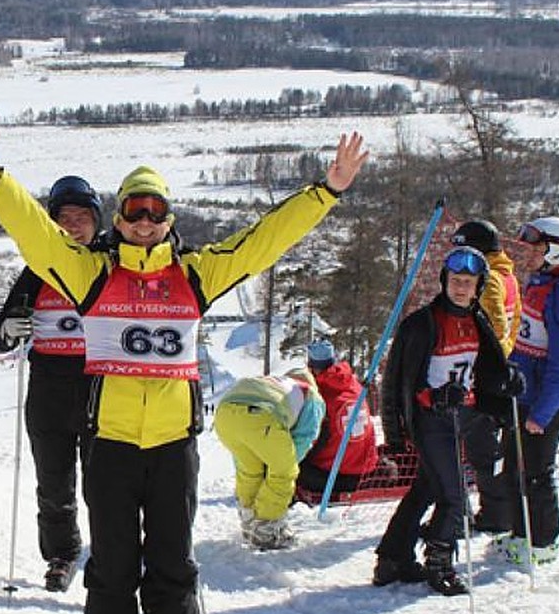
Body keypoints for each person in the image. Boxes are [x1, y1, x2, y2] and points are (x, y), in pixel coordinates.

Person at [0, 102, 367, 614]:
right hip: (113, 439)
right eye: (134, 211)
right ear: (118, 219)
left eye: (156, 211)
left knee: (174, 553)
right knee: (114, 555)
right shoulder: (89, 274)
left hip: (174, 441)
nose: (145, 221)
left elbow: (263, 241)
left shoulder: (195, 275)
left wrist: (326, 192)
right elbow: (35, 234)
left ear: (169, 219)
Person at [374, 246, 516, 596]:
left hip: (462, 416)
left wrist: (506, 384)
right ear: (444, 281)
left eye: (468, 282)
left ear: (479, 286)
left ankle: (393, 559)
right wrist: (432, 400)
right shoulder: (423, 325)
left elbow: (485, 372)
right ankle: (440, 564)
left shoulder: (477, 321)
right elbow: (400, 382)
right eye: (455, 281)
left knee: (427, 487)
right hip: (430, 419)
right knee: (454, 496)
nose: (460, 288)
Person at [0, 174, 105, 592]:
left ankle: (111, 554)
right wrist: (9, 331)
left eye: (82, 217)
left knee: (105, 482)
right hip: (49, 386)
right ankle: (61, 554)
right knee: (53, 482)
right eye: (64, 217)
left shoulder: (108, 264)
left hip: (100, 388)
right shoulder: (38, 268)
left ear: (97, 222)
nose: (73, 226)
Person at [492, 216, 559, 565]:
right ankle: (522, 534)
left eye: (536, 248)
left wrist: (542, 413)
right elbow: (526, 340)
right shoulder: (539, 282)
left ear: (555, 250)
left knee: (536, 473)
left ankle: (544, 542)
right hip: (525, 394)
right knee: (513, 469)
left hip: (547, 403)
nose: (528, 254)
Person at [449, 219, 523, 533]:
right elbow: (513, 323)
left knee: (455, 443)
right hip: (490, 373)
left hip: (476, 375)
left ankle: (459, 514)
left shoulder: (490, 279)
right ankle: (493, 512)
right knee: (481, 447)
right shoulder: (507, 276)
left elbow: (492, 327)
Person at [213, 368, 325, 550]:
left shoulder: (275, 383)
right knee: (282, 473)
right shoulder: (310, 394)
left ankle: (249, 519)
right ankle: (267, 528)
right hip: (262, 415)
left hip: (224, 414)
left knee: (250, 470)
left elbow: (242, 460)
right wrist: (285, 463)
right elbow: (305, 436)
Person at [296, 339, 378, 500]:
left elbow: (313, 440)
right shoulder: (354, 385)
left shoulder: (318, 396)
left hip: (334, 476)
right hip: (365, 472)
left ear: (312, 367)